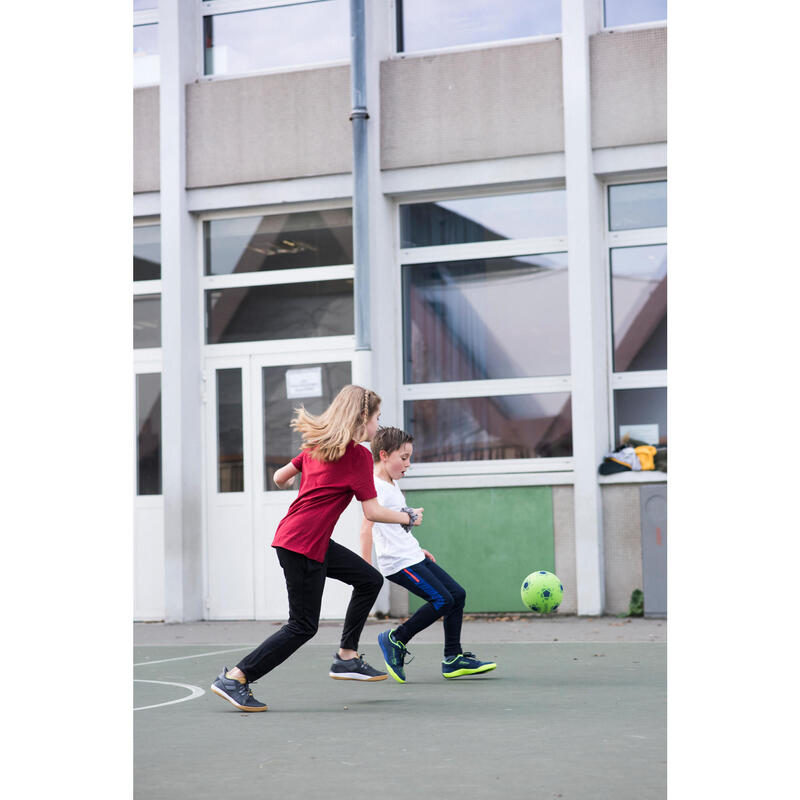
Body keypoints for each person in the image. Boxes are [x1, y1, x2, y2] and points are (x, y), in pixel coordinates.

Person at [211, 386, 424, 712]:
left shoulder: (315, 447)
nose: (378, 427)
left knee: (369, 580)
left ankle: (346, 658)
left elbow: (280, 477)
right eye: (377, 419)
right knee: (302, 626)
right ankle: (237, 677)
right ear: (362, 419)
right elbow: (372, 511)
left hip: (305, 539)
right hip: (304, 544)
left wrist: (311, 480)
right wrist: (406, 516)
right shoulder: (358, 456)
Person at [360, 426, 497, 683]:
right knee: (442, 600)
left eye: (409, 457)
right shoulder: (375, 486)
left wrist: (415, 546)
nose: (408, 464)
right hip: (398, 562)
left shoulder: (391, 484)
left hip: (411, 554)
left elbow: (394, 526)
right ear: (383, 455)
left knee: (457, 595)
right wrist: (366, 567)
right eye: (404, 458)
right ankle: (395, 639)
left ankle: (453, 658)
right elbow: (367, 528)